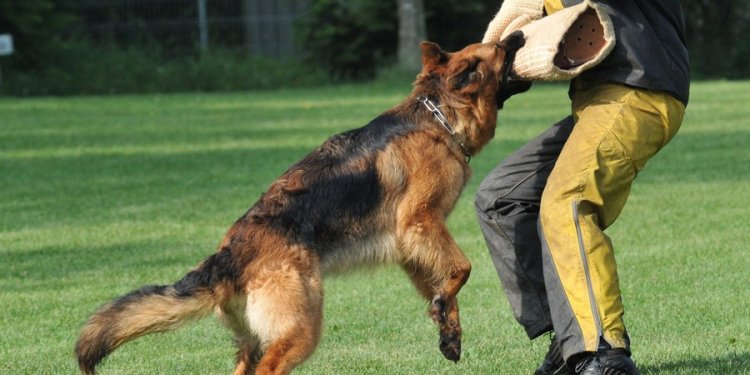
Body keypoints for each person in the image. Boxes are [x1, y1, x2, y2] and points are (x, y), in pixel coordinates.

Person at [474, 1, 689, 374]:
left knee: (567, 199)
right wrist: (488, 67)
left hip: (640, 90)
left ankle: (604, 353)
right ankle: (570, 336)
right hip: (596, 101)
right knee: (502, 197)